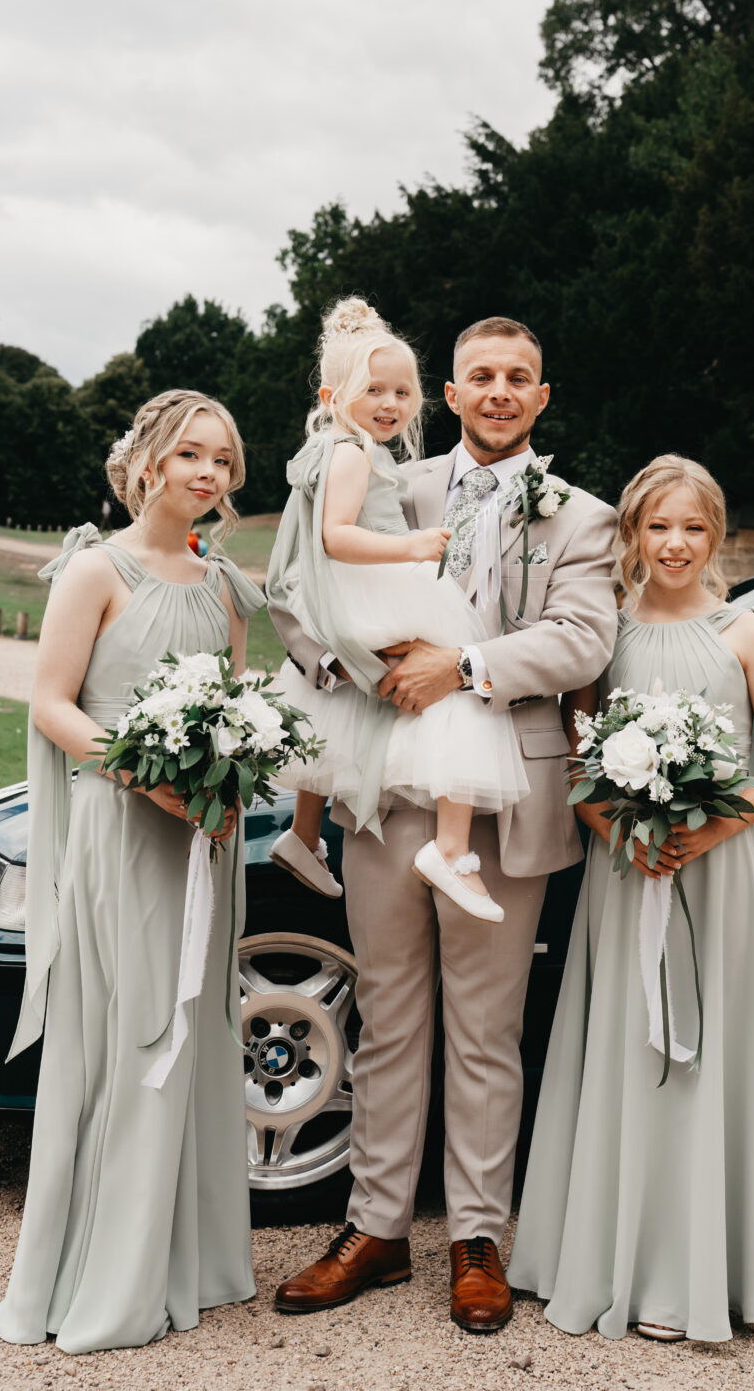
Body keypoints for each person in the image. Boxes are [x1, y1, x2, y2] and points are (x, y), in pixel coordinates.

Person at [272, 316, 618, 1331]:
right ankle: (374, 1229)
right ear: (451, 394)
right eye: (481, 376)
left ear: (541, 397)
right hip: (386, 784)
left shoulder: (582, 518)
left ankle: (477, 1237)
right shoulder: (383, 482)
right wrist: (361, 669)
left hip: (504, 796)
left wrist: (462, 666)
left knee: (486, 1026)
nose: (500, 390)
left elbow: (581, 639)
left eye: (520, 377)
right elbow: (299, 593)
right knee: (386, 1012)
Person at [508, 454, 754, 1343]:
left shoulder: (750, 633)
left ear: (716, 534)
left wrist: (710, 832)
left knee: (711, 1057)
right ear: (632, 535)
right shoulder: (606, 636)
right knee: (631, 1051)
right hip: (628, 869)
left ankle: (702, 1275)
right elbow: (578, 756)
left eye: (693, 527)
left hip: (723, 877)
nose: (674, 544)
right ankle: (614, 1264)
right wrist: (623, 833)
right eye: (658, 526)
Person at [0, 390, 264, 1355]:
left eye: (223, 462)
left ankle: (180, 1259)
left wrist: (228, 778)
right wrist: (144, 776)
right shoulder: (93, 570)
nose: (208, 475)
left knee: (191, 1027)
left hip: (201, 839)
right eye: (191, 454)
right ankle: (104, 1273)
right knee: (130, 1033)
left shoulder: (229, 586)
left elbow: (233, 708)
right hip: (122, 827)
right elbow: (52, 705)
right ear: (146, 460)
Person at [266, 298, 530, 924]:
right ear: (334, 394)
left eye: (402, 392)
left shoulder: (333, 449)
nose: (390, 404)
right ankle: (452, 849)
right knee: (463, 692)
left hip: (344, 595)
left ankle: (304, 835)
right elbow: (335, 535)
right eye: (373, 390)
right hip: (375, 584)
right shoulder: (354, 454)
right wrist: (411, 546)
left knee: (328, 708)